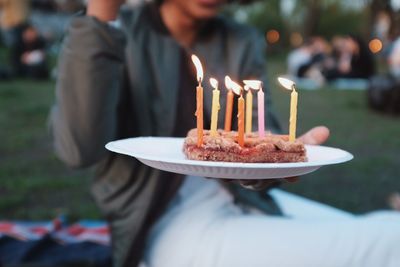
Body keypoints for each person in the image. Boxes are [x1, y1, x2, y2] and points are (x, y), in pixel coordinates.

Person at [50, 0, 400, 267]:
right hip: (164, 222)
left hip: (246, 199)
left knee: (384, 231)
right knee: (388, 240)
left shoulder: (238, 39)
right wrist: (101, 15)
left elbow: (261, 126)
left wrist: (271, 159)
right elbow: (78, 148)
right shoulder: (115, 30)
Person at [0, 0, 30, 76]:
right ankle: (14, 68)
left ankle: (15, 69)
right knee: (15, 48)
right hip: (15, 23)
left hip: (15, 23)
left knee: (16, 48)